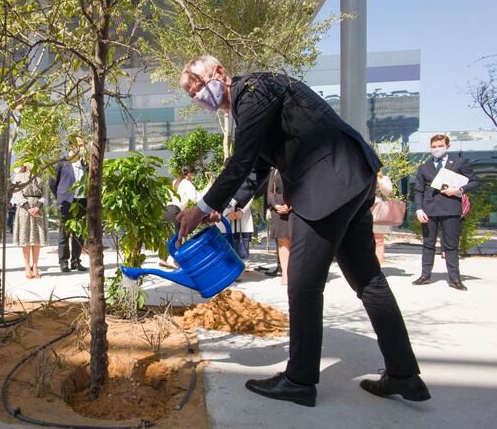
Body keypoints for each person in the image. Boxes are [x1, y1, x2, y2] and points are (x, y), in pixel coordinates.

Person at [176, 55, 429, 407]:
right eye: (193, 95)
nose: (200, 96)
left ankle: (299, 380)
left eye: (200, 86)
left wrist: (201, 207)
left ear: (219, 72)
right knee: (368, 279)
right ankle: (404, 375)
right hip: (352, 178)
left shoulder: (253, 90)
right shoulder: (252, 101)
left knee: (304, 283)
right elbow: (257, 168)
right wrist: (225, 208)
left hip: (326, 184)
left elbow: (242, 159)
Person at [412, 134, 481, 291]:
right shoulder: (424, 167)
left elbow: (476, 181)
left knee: (451, 245)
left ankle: (455, 278)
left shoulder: (459, 162)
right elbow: (418, 190)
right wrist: (418, 209)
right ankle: (425, 276)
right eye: (434, 147)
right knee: (428, 244)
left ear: (447, 146)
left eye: (440, 146)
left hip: (451, 209)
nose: (437, 149)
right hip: (428, 211)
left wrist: (459, 189)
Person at [49, 145, 87, 272]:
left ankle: (76, 261)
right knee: (64, 233)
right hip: (66, 202)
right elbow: (52, 182)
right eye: (77, 147)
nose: (79, 149)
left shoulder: (85, 163)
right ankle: (63, 262)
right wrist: (60, 196)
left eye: (81, 147)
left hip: (82, 202)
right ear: (71, 148)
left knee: (79, 234)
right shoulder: (62, 163)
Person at [12, 164, 48, 278]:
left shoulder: (41, 176)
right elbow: (17, 194)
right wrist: (29, 208)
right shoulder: (19, 176)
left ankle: (35, 266)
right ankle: (27, 267)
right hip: (24, 210)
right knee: (26, 239)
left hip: (39, 209)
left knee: (36, 240)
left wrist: (37, 206)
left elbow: (45, 194)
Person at [266, 168, 292, 285]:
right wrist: (276, 205)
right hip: (278, 209)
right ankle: (285, 274)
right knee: (282, 241)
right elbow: (270, 192)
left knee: (295, 241)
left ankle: (296, 274)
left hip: (295, 206)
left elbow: (304, 188)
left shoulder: (297, 162)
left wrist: (291, 205)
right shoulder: (274, 170)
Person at [372, 171, 394, 265]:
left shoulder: (384, 178)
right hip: (364, 210)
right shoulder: (363, 175)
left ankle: (377, 267)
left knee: (379, 240)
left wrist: (379, 182)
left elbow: (388, 192)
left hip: (380, 211)